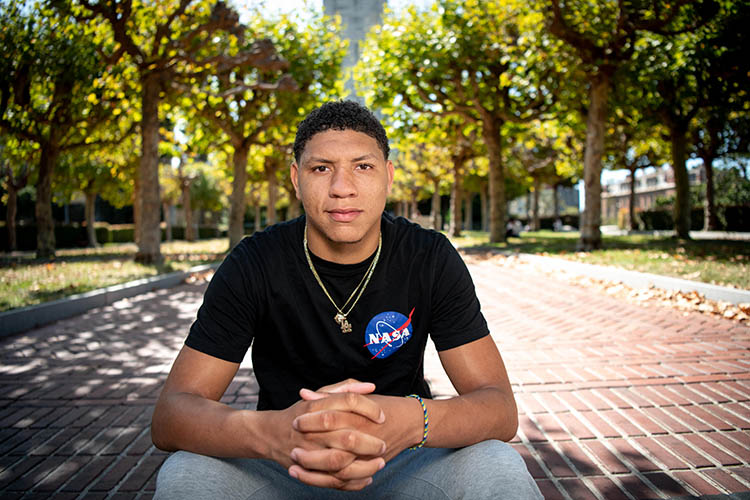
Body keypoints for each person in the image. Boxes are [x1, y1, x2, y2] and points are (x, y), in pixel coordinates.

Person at [151, 100, 542, 499]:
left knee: (497, 465)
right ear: (296, 179)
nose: (342, 188)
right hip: (283, 460)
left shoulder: (429, 257)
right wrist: (272, 433)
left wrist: (407, 421)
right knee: (187, 474)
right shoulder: (254, 262)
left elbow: (499, 409)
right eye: (321, 168)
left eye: (363, 166)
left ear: (388, 176)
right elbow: (171, 416)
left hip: (403, 460)